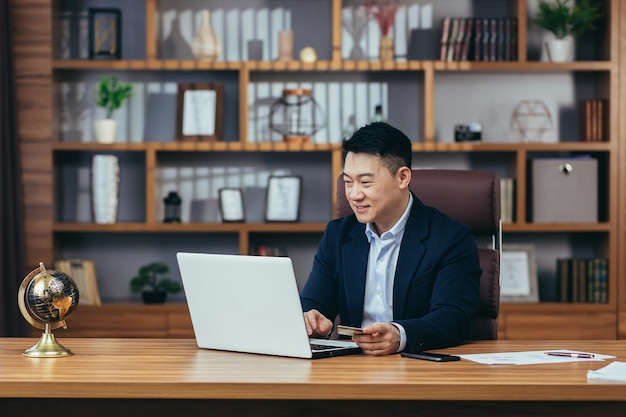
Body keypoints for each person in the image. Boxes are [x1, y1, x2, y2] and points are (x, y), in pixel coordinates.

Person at [301, 122, 481, 356]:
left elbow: (453, 316)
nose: (354, 194)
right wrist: (312, 320)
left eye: (366, 182)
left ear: (403, 177)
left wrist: (400, 335)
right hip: (352, 366)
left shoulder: (451, 238)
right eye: (348, 182)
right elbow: (313, 303)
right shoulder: (338, 235)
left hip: (418, 367)